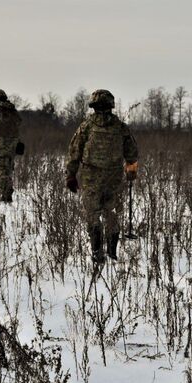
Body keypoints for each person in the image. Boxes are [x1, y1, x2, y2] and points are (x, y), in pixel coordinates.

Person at [65, 89, 138, 264]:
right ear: (111, 106)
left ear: (93, 106)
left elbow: (74, 152)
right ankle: (112, 252)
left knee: (92, 214)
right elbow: (132, 153)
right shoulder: (121, 127)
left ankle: (97, 252)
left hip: (91, 178)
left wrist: (71, 175)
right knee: (111, 213)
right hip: (113, 178)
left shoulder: (86, 126)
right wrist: (131, 172)